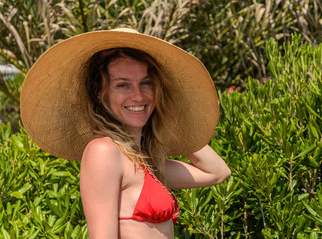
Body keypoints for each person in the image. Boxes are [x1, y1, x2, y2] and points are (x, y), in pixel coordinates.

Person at [20, 28, 231, 239]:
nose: (138, 96)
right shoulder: (104, 152)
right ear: (99, 93)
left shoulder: (148, 162)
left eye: (146, 83)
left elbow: (218, 172)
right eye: (123, 85)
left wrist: (172, 116)